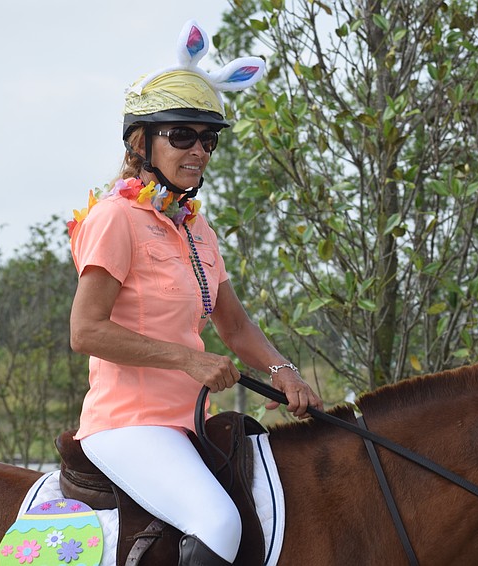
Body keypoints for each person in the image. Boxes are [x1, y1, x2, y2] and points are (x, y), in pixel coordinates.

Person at [67, 20, 323, 566]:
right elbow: (85, 331)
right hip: (129, 424)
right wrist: (189, 359)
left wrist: (284, 372)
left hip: (191, 422)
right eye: (182, 135)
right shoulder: (114, 218)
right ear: (141, 142)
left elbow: (234, 325)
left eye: (209, 139)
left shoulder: (196, 227)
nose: (199, 150)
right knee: (218, 521)